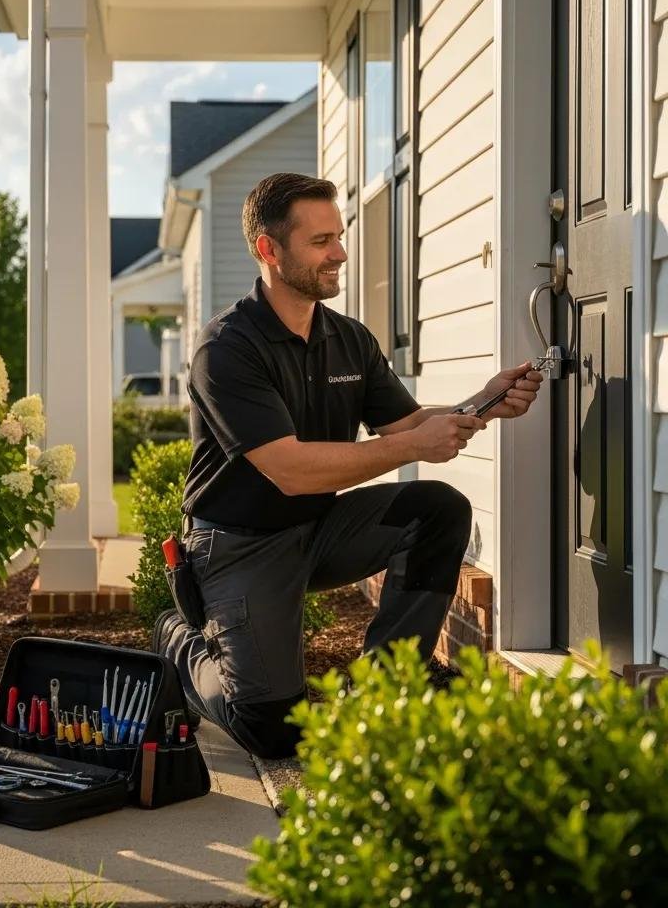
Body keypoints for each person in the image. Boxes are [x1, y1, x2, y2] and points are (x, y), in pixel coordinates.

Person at [152, 172, 544, 760]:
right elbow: (289, 470)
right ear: (268, 249)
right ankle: (178, 641)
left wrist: (482, 404)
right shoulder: (226, 348)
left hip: (318, 531)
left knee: (438, 509)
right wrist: (413, 447)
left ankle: (383, 693)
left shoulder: (349, 339)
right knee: (272, 732)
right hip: (238, 545)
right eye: (320, 241)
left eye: (339, 236)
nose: (339, 253)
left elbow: (406, 427)